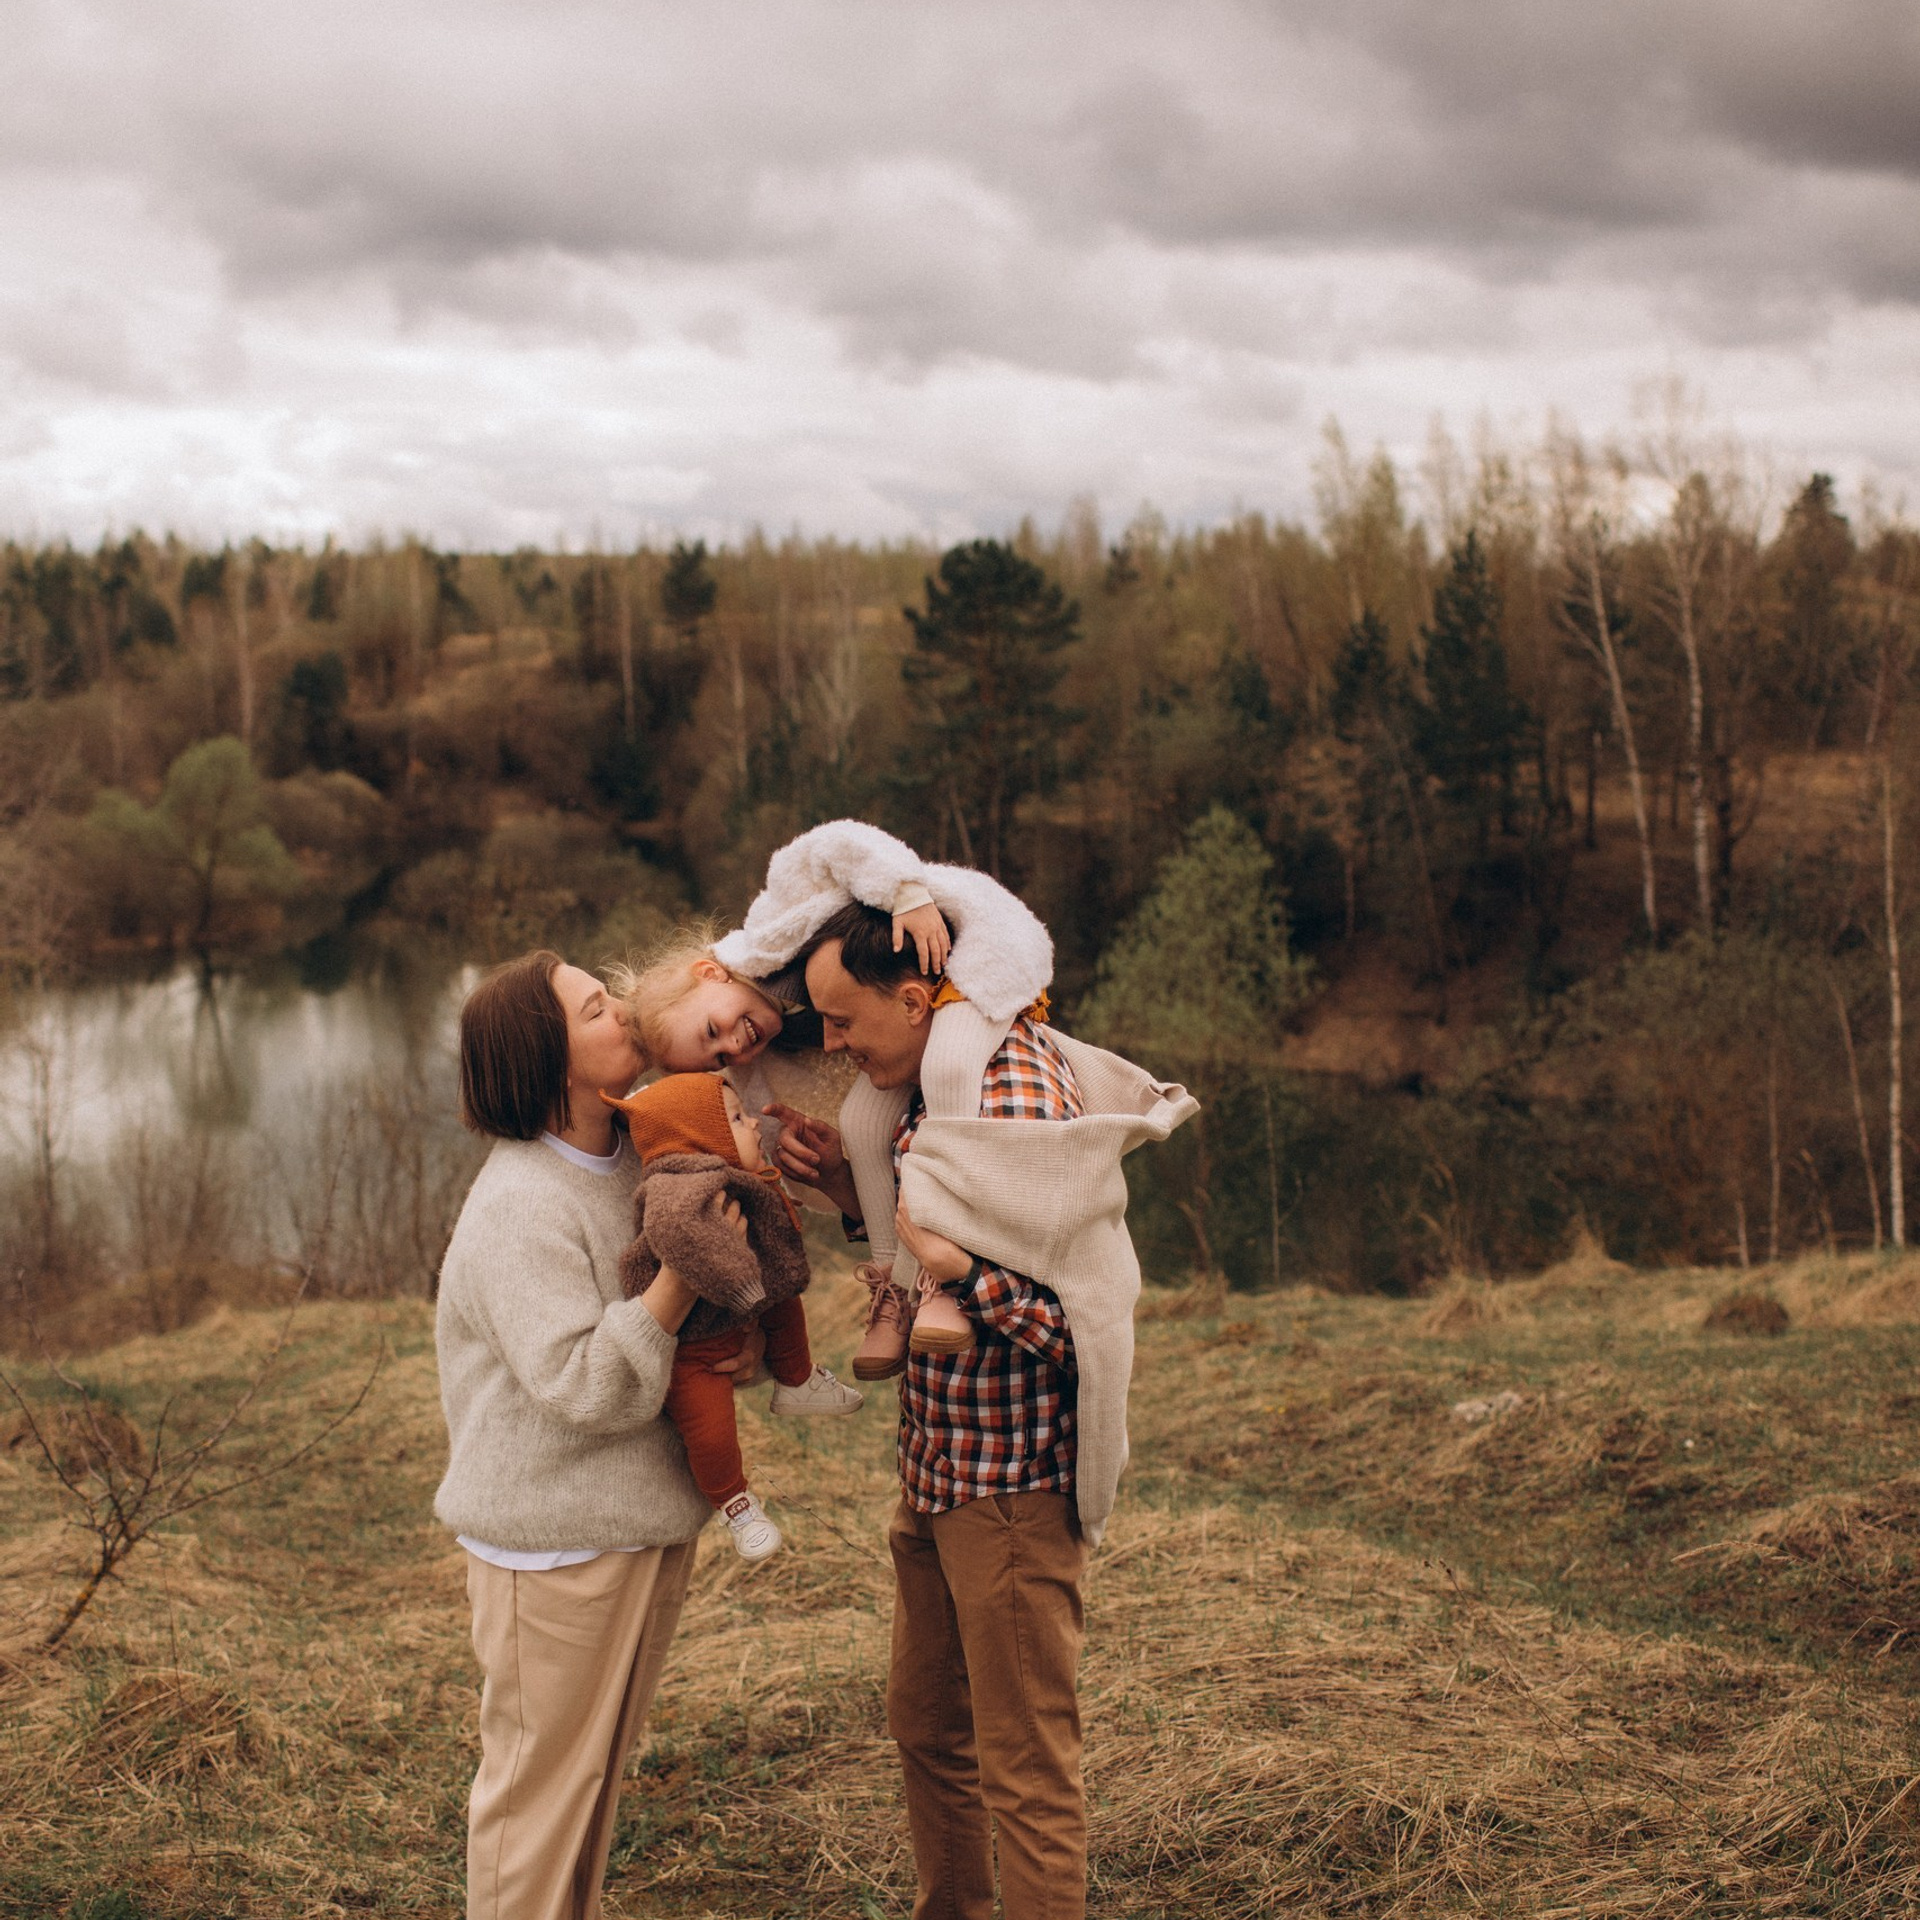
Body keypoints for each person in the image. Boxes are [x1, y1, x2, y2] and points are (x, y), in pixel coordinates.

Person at [793, 900, 1196, 1920]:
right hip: (937, 1474)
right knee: (926, 1725)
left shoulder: (1011, 1099)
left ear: (916, 997)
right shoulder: (934, 1083)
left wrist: (964, 1275)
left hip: (1010, 1498)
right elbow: (931, 1215)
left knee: (1027, 1770)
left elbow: (1087, 1329)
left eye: (845, 1023)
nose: (832, 1046)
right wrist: (853, 1192)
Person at [433, 949, 762, 1920]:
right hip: (553, 1550)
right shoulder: (517, 1205)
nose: (623, 1011)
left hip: (644, 1523)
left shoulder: (633, 1147)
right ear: (551, 1056)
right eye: (594, 1008)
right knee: (534, 1808)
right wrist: (686, 1271)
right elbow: (584, 1383)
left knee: (591, 1792)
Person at [610, 819, 1056, 1378]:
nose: (734, 1046)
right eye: (718, 1056)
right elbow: (721, 1117)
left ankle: (942, 1281)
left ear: (710, 973)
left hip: (970, 958)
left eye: (712, 1029)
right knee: (861, 1121)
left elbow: (831, 844)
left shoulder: (770, 931)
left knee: (946, 1071)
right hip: (916, 1005)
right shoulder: (769, 1049)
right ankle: (894, 1287)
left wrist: (905, 891)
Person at [608, 1071, 863, 1562]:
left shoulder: (725, 1177)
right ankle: (735, 1503)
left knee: (785, 1304)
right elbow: (677, 1234)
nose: (751, 1126)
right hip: (693, 1344)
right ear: (700, 1136)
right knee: (710, 1430)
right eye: (736, 1119)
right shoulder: (677, 1187)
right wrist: (746, 1291)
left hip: (744, 1305)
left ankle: (796, 1379)